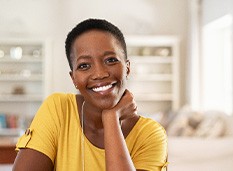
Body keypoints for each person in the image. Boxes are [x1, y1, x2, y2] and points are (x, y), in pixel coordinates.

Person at [12, 18, 168, 171]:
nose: (99, 74)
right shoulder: (59, 109)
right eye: (84, 65)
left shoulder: (151, 135)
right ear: (73, 78)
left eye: (111, 60)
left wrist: (111, 118)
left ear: (127, 68)